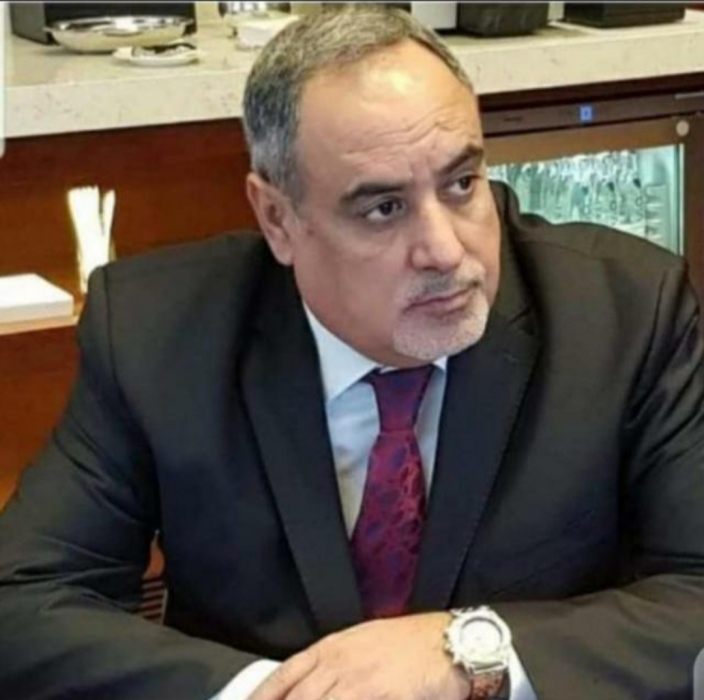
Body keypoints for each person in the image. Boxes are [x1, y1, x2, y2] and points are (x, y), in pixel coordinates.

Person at [1, 5, 704, 700]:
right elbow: (22, 602)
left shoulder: (623, 316)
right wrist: (278, 694)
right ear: (278, 219)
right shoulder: (158, 334)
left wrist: (470, 650)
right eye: (383, 209)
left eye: (462, 184)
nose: (445, 250)